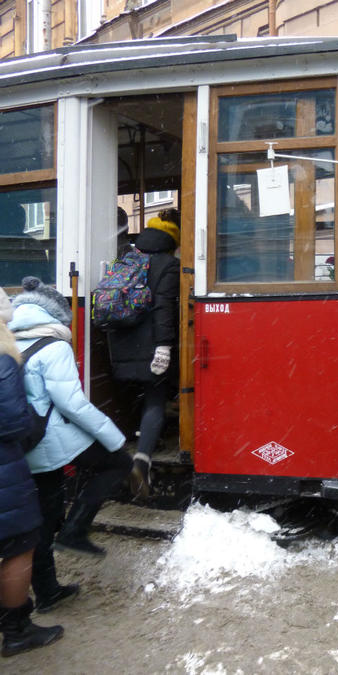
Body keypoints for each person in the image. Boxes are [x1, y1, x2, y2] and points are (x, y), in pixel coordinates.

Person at [9, 277, 129, 571]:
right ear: (56, 315)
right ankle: (74, 531)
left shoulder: (9, 343)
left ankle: (47, 588)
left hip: (24, 438)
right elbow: (72, 404)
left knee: (44, 515)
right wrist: (114, 437)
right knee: (118, 463)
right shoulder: (54, 347)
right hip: (49, 438)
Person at [0, 292, 64, 657]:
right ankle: (17, 630)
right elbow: (12, 422)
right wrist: (33, 425)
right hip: (4, 471)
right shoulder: (3, 358)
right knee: (20, 544)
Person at [106, 208, 180, 498]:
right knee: (155, 398)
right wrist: (164, 346)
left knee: (137, 395)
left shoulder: (127, 258)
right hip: (150, 345)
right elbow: (164, 308)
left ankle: (129, 451)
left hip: (120, 343)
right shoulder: (168, 266)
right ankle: (142, 461)